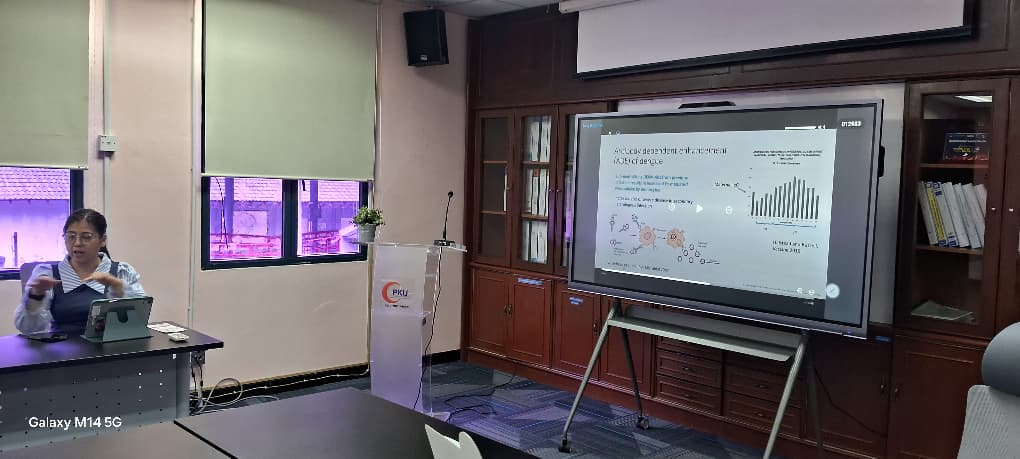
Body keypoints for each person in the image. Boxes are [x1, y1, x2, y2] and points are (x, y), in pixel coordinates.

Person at [14, 209, 145, 334]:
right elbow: (28, 329)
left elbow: (139, 320)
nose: (77, 243)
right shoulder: (47, 274)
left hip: (112, 347)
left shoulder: (122, 271)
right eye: (71, 236)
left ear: (103, 240)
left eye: (86, 237)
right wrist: (36, 295)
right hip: (63, 348)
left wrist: (118, 288)